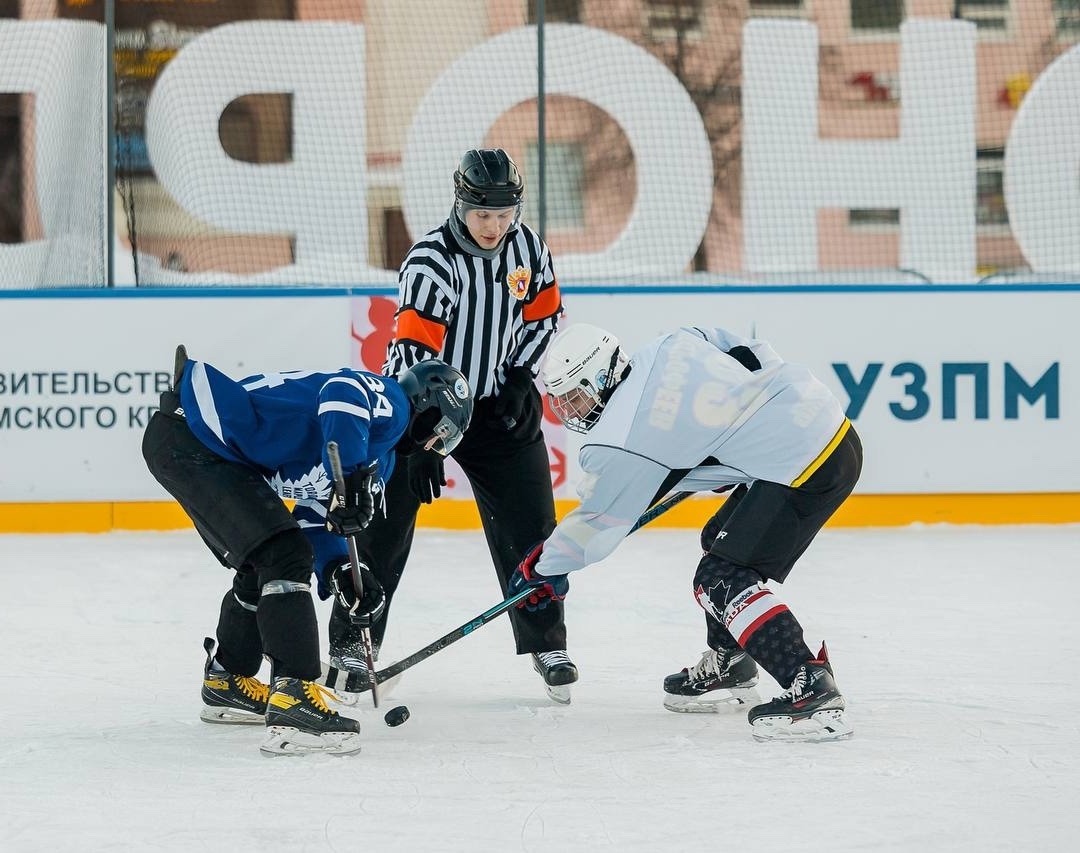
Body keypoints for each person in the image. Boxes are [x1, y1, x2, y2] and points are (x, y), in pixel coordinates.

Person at [508, 323, 863, 741]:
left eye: (575, 395)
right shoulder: (669, 345)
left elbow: (599, 523)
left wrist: (544, 567)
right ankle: (732, 660)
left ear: (600, 376)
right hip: (823, 423)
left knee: (721, 579)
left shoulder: (621, 438)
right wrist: (737, 429)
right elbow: (748, 353)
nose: (569, 409)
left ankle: (810, 684)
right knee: (719, 539)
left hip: (804, 464)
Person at [326, 148, 574, 702]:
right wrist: (421, 443)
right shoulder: (431, 262)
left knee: (532, 526)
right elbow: (415, 355)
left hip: (494, 405)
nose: (494, 227)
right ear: (460, 205)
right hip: (418, 406)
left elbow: (545, 320)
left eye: (504, 214)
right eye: (483, 214)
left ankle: (547, 642)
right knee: (382, 527)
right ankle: (352, 644)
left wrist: (521, 378)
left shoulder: (529, 250)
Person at [142, 345, 473, 756]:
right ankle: (295, 698)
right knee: (284, 555)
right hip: (195, 435)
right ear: (429, 406)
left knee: (268, 557)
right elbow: (342, 390)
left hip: (193, 444)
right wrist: (350, 477)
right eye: (442, 433)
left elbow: (316, 517)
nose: (433, 447)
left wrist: (340, 571)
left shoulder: (380, 460)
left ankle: (228, 679)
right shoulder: (392, 404)